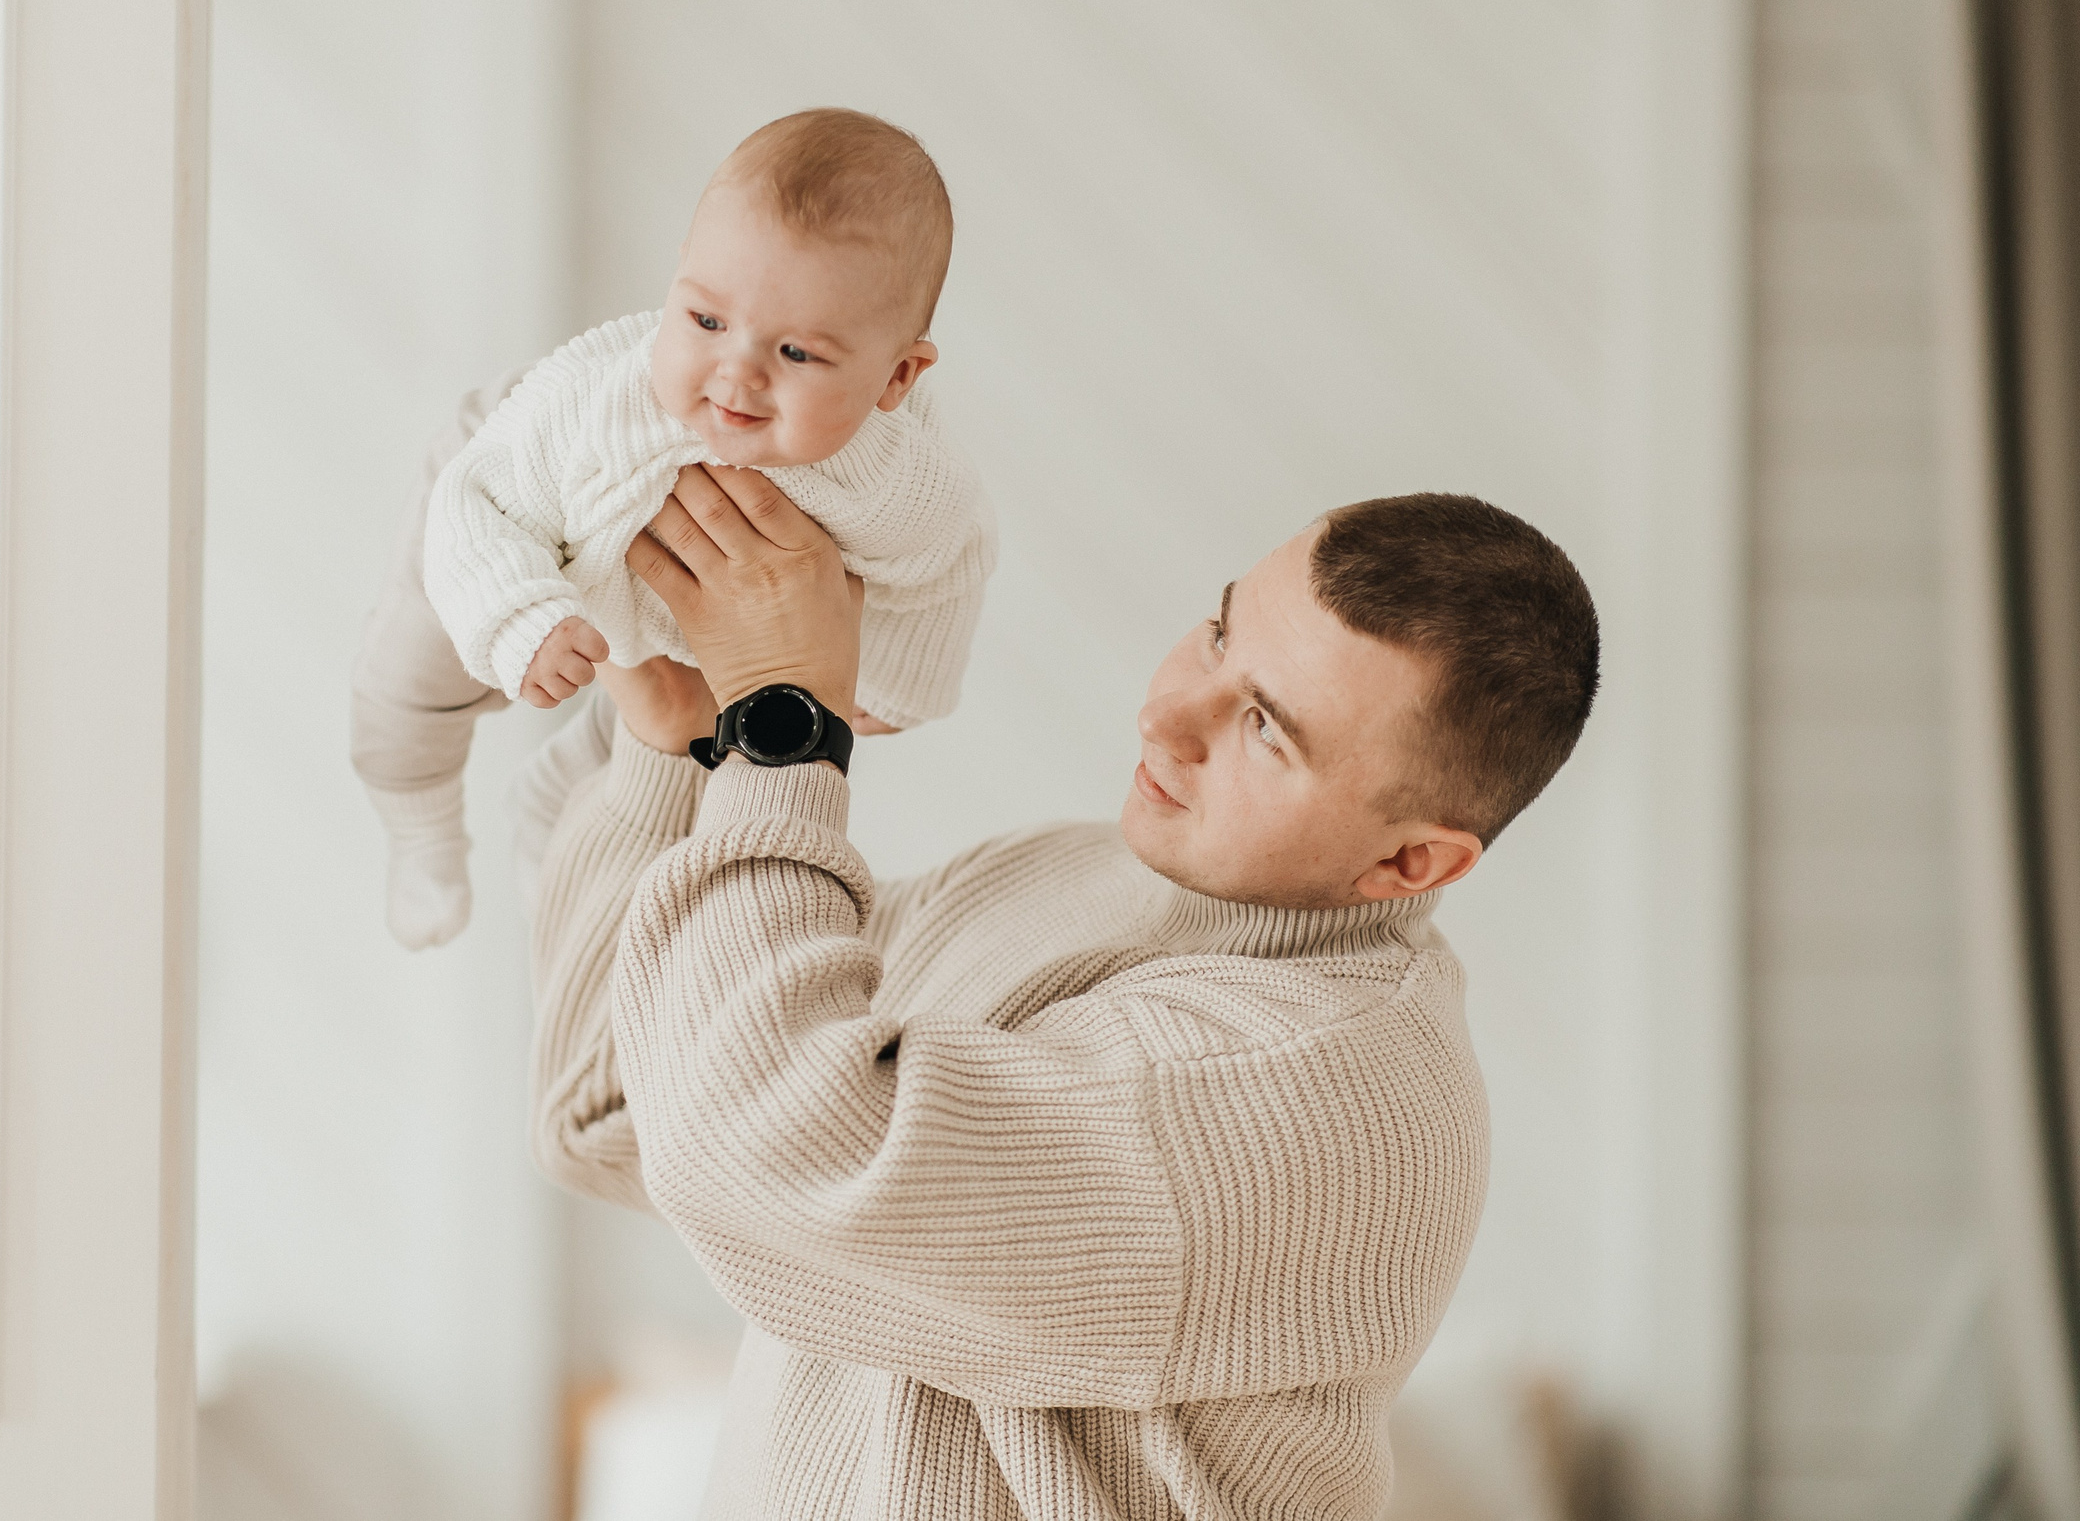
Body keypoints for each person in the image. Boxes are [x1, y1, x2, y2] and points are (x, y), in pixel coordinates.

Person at [523, 471, 1598, 1519]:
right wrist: (678, 749)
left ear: (1413, 863)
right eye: (1219, 633)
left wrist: (785, 728)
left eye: (1265, 729)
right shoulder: (1072, 874)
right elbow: (612, 1108)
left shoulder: (1322, 1090)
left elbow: (764, 1153)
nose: (1167, 714)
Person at [350, 109, 996, 949]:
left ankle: (556, 873)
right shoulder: (593, 409)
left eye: (797, 354)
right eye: (705, 321)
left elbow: (949, 561)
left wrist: (894, 685)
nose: (738, 373)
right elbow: (476, 503)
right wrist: (520, 616)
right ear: (677, 281)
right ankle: (419, 824)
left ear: (897, 376)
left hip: (646, 609)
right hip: (516, 495)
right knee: (412, 679)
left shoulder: (896, 478)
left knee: (651, 768)